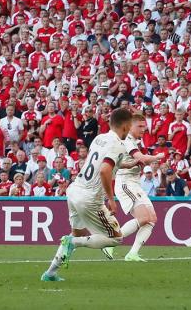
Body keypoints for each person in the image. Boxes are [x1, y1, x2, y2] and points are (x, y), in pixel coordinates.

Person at [41, 108, 134, 282]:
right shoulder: (118, 145)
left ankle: (50, 273)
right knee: (115, 238)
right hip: (90, 198)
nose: (129, 130)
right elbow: (105, 171)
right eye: (129, 126)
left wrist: (125, 165)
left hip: (75, 190)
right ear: (125, 126)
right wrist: (111, 199)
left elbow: (100, 164)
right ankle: (72, 244)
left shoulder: (100, 138)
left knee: (76, 233)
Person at [103, 114, 165, 262]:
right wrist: (158, 156)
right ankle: (109, 243)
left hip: (135, 183)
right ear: (131, 126)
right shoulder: (128, 140)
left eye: (144, 126)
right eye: (140, 126)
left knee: (151, 220)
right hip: (126, 182)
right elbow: (142, 158)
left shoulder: (135, 141)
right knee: (143, 218)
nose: (143, 129)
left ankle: (132, 254)